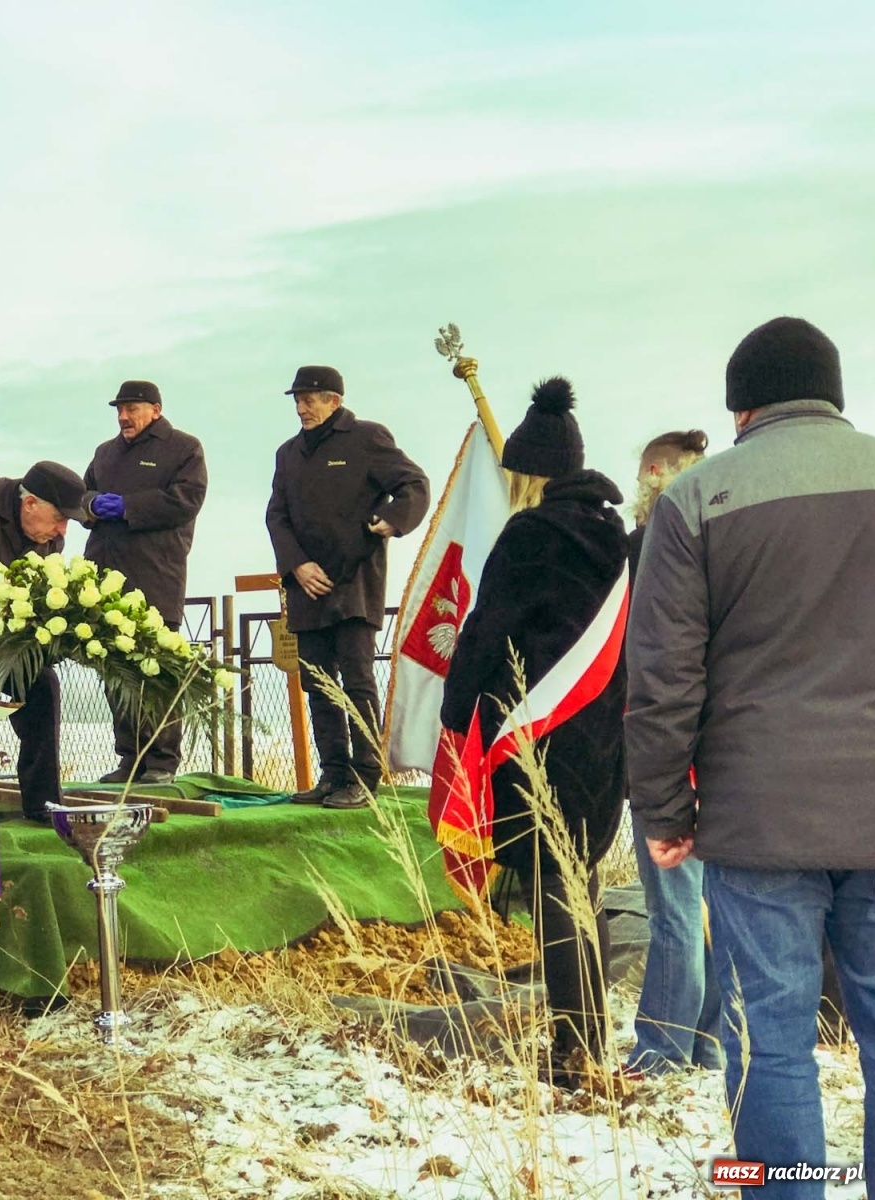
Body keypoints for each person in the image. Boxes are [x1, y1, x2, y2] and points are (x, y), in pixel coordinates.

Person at [626, 317, 875, 1194]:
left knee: (770, 1041)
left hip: (757, 818)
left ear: (740, 408)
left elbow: (661, 679)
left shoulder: (696, 500)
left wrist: (662, 812)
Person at [440, 377, 628, 1087]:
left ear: (530, 476)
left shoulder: (532, 534)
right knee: (582, 885)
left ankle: (572, 1052)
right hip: (604, 737)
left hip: (540, 736)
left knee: (553, 889)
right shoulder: (614, 535)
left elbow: (486, 635)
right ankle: (591, 1038)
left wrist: (456, 721)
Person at [266, 365, 429, 809]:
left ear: (334, 401)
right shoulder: (288, 453)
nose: (302, 407)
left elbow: (414, 485)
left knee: (357, 682)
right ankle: (333, 774)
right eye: (297, 399)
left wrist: (393, 521)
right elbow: (276, 516)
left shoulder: (367, 438)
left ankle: (366, 777)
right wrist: (297, 565)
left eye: (311, 398)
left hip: (355, 581)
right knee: (316, 684)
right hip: (306, 586)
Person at [620, 429, 725, 1077]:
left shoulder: (652, 551)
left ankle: (662, 1050)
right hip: (725, 757)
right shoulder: (726, 544)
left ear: (654, 475)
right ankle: (708, 1045)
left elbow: (654, 670)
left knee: (675, 913)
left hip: (672, 759)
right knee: (710, 909)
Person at [0, 461, 89, 821]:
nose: (62, 530)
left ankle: (44, 804)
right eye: (58, 518)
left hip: (2, 643)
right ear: (30, 504)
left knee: (42, 685)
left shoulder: (51, 536)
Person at [83, 380, 207, 784]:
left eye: (132, 409)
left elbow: (186, 500)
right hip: (105, 578)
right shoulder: (105, 453)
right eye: (119, 409)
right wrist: (89, 506)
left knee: (157, 672)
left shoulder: (183, 448)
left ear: (155, 409)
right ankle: (130, 757)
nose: (123, 417)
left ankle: (161, 762)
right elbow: (81, 496)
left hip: (156, 576)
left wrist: (129, 507)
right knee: (115, 670)